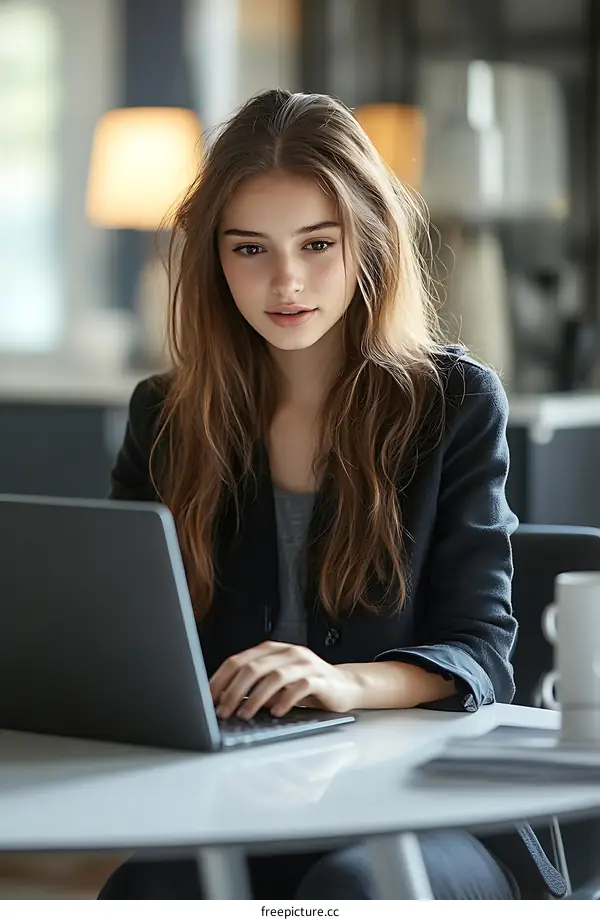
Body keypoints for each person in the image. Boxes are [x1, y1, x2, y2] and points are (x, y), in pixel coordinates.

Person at [99, 89, 567, 900]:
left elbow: (481, 651)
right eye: (250, 249)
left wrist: (340, 681)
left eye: (318, 243)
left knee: (353, 889)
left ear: (369, 240)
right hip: (233, 796)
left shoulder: (454, 403)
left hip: (427, 807)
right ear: (214, 260)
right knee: (145, 893)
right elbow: (125, 637)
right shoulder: (167, 416)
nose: (286, 281)